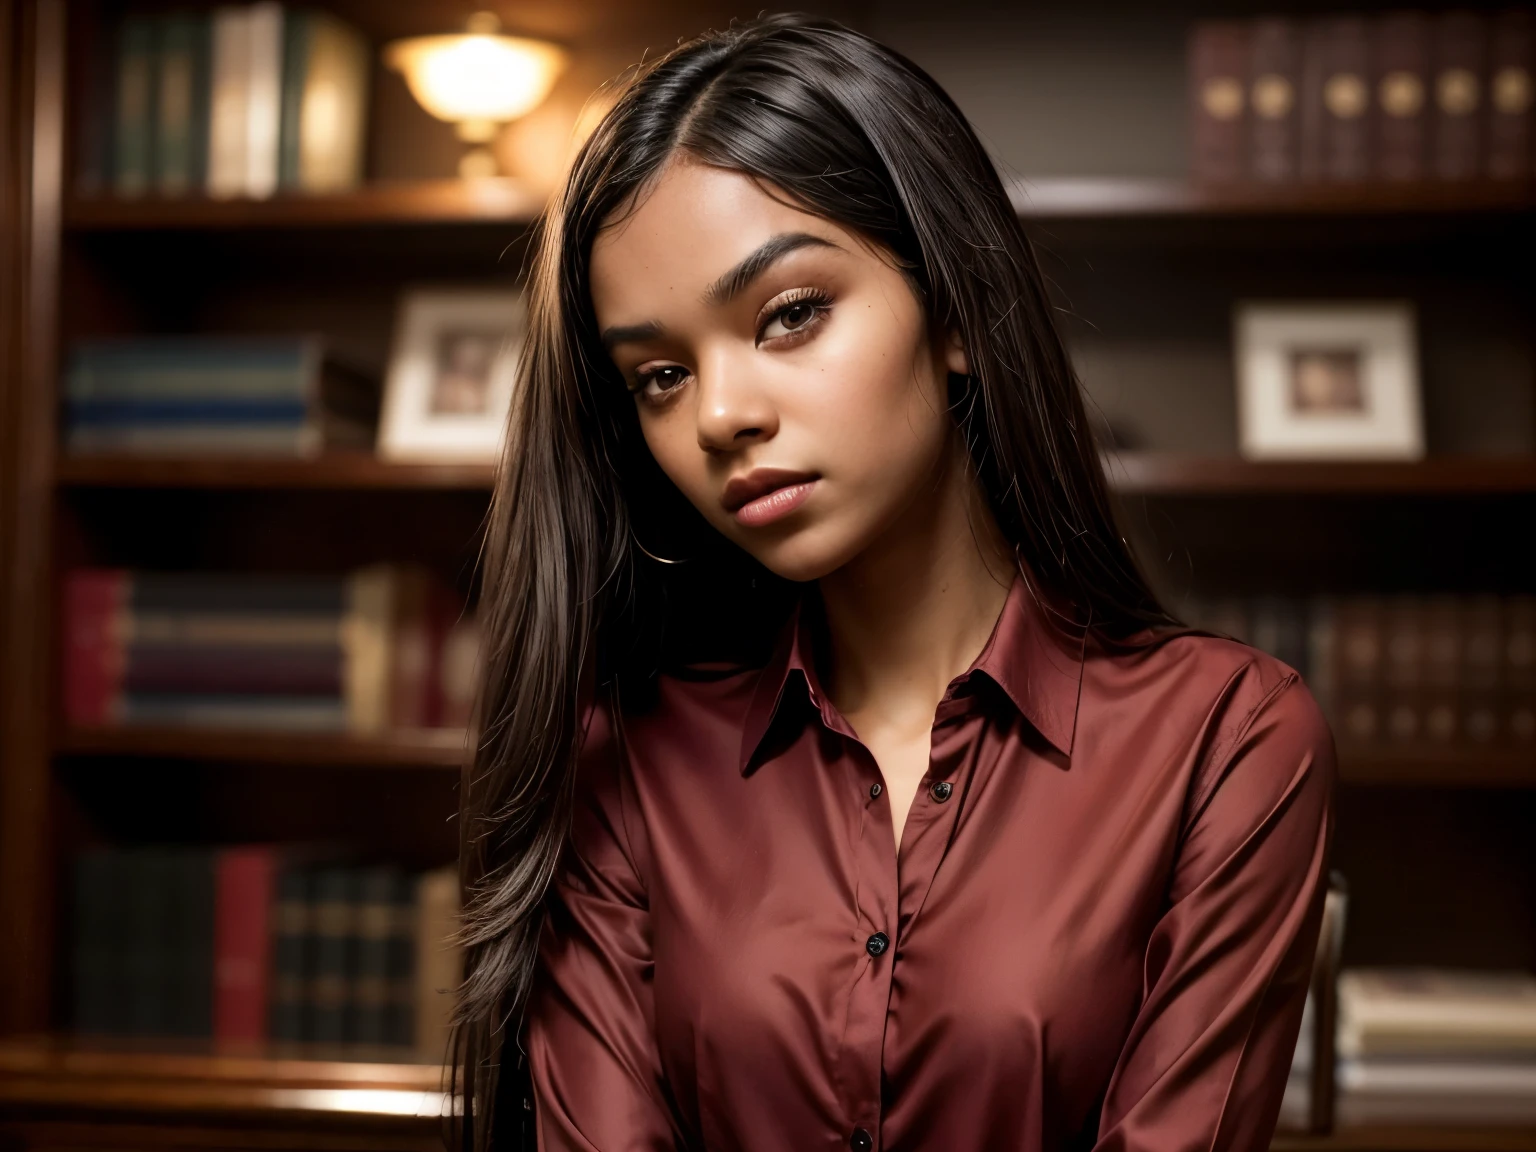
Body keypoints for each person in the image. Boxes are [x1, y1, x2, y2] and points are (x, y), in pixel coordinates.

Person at [452, 14, 1336, 1152]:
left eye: (790, 315)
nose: (722, 415)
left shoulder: (1228, 741)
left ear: (956, 308)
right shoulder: (624, 763)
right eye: (661, 374)